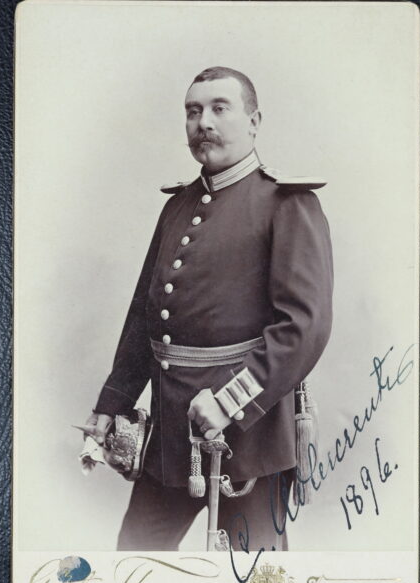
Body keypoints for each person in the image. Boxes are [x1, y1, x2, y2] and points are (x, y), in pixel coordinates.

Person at [85, 66, 334, 551]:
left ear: (254, 121)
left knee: (255, 580)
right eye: (193, 111)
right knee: (134, 563)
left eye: (220, 108)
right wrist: (110, 404)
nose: (204, 122)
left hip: (251, 440)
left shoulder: (288, 204)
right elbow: (145, 317)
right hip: (168, 440)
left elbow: (303, 328)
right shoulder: (177, 206)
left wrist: (228, 403)